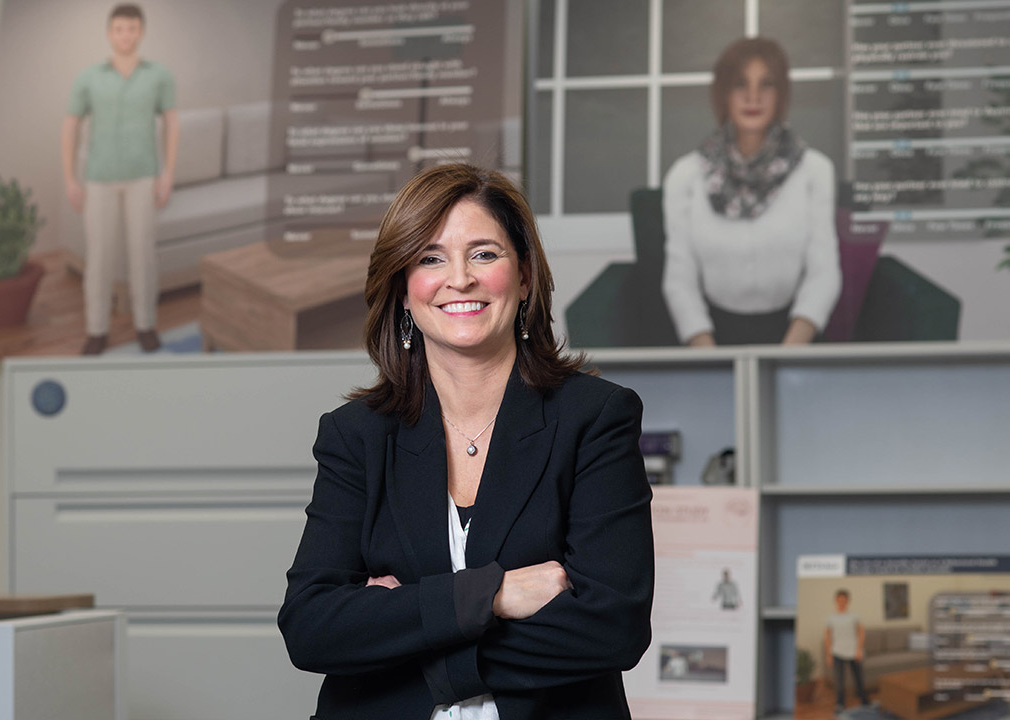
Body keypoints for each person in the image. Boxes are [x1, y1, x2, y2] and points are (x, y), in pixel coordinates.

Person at [278, 163, 655, 719]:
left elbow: (613, 628)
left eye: (484, 254)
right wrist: (490, 597)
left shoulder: (594, 418)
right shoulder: (355, 436)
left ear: (525, 277)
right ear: (404, 291)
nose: (460, 278)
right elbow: (310, 628)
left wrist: (406, 630)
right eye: (430, 258)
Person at [662, 37, 841, 347]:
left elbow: (824, 275)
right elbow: (680, 280)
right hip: (709, 344)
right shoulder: (685, 175)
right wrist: (710, 359)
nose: (753, 96)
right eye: (740, 84)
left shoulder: (815, 170)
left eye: (767, 84)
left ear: (782, 93)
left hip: (796, 341)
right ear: (722, 94)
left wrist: (786, 358)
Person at [62, 3, 178, 355]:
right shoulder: (89, 77)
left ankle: (145, 325)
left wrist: (167, 173)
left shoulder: (159, 76)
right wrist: (70, 178)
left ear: (140, 31)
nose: (125, 35)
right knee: (98, 258)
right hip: (98, 179)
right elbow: (71, 126)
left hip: (143, 176)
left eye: (131, 28)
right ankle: (96, 330)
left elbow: (172, 124)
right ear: (110, 33)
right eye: (118, 29)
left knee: (143, 255)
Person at [824, 589, 871, 712]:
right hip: (837, 652)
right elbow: (827, 636)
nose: (842, 602)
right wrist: (828, 654)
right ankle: (840, 704)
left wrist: (859, 650)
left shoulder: (854, 616)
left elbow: (861, 632)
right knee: (839, 682)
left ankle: (865, 701)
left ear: (848, 601)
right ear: (836, 601)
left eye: (844, 600)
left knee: (859, 679)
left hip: (853, 652)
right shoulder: (830, 618)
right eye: (839, 600)